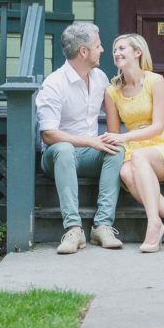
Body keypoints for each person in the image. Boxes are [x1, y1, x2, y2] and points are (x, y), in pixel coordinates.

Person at [104, 33, 164, 253]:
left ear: (138, 52)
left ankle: (153, 223)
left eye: (122, 48)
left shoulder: (155, 81)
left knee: (139, 158)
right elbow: (113, 134)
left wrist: (125, 138)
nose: (117, 53)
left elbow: (157, 125)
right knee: (126, 174)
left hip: (163, 143)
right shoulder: (112, 92)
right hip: (133, 148)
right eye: (114, 50)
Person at [36, 21, 124, 254]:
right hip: (57, 156)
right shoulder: (54, 84)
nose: (102, 50)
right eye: (98, 45)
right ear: (83, 52)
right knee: (64, 149)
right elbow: (48, 134)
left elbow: (114, 118)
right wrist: (91, 141)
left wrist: (110, 140)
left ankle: (102, 226)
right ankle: (74, 229)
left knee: (116, 150)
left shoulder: (100, 78)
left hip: (87, 155)